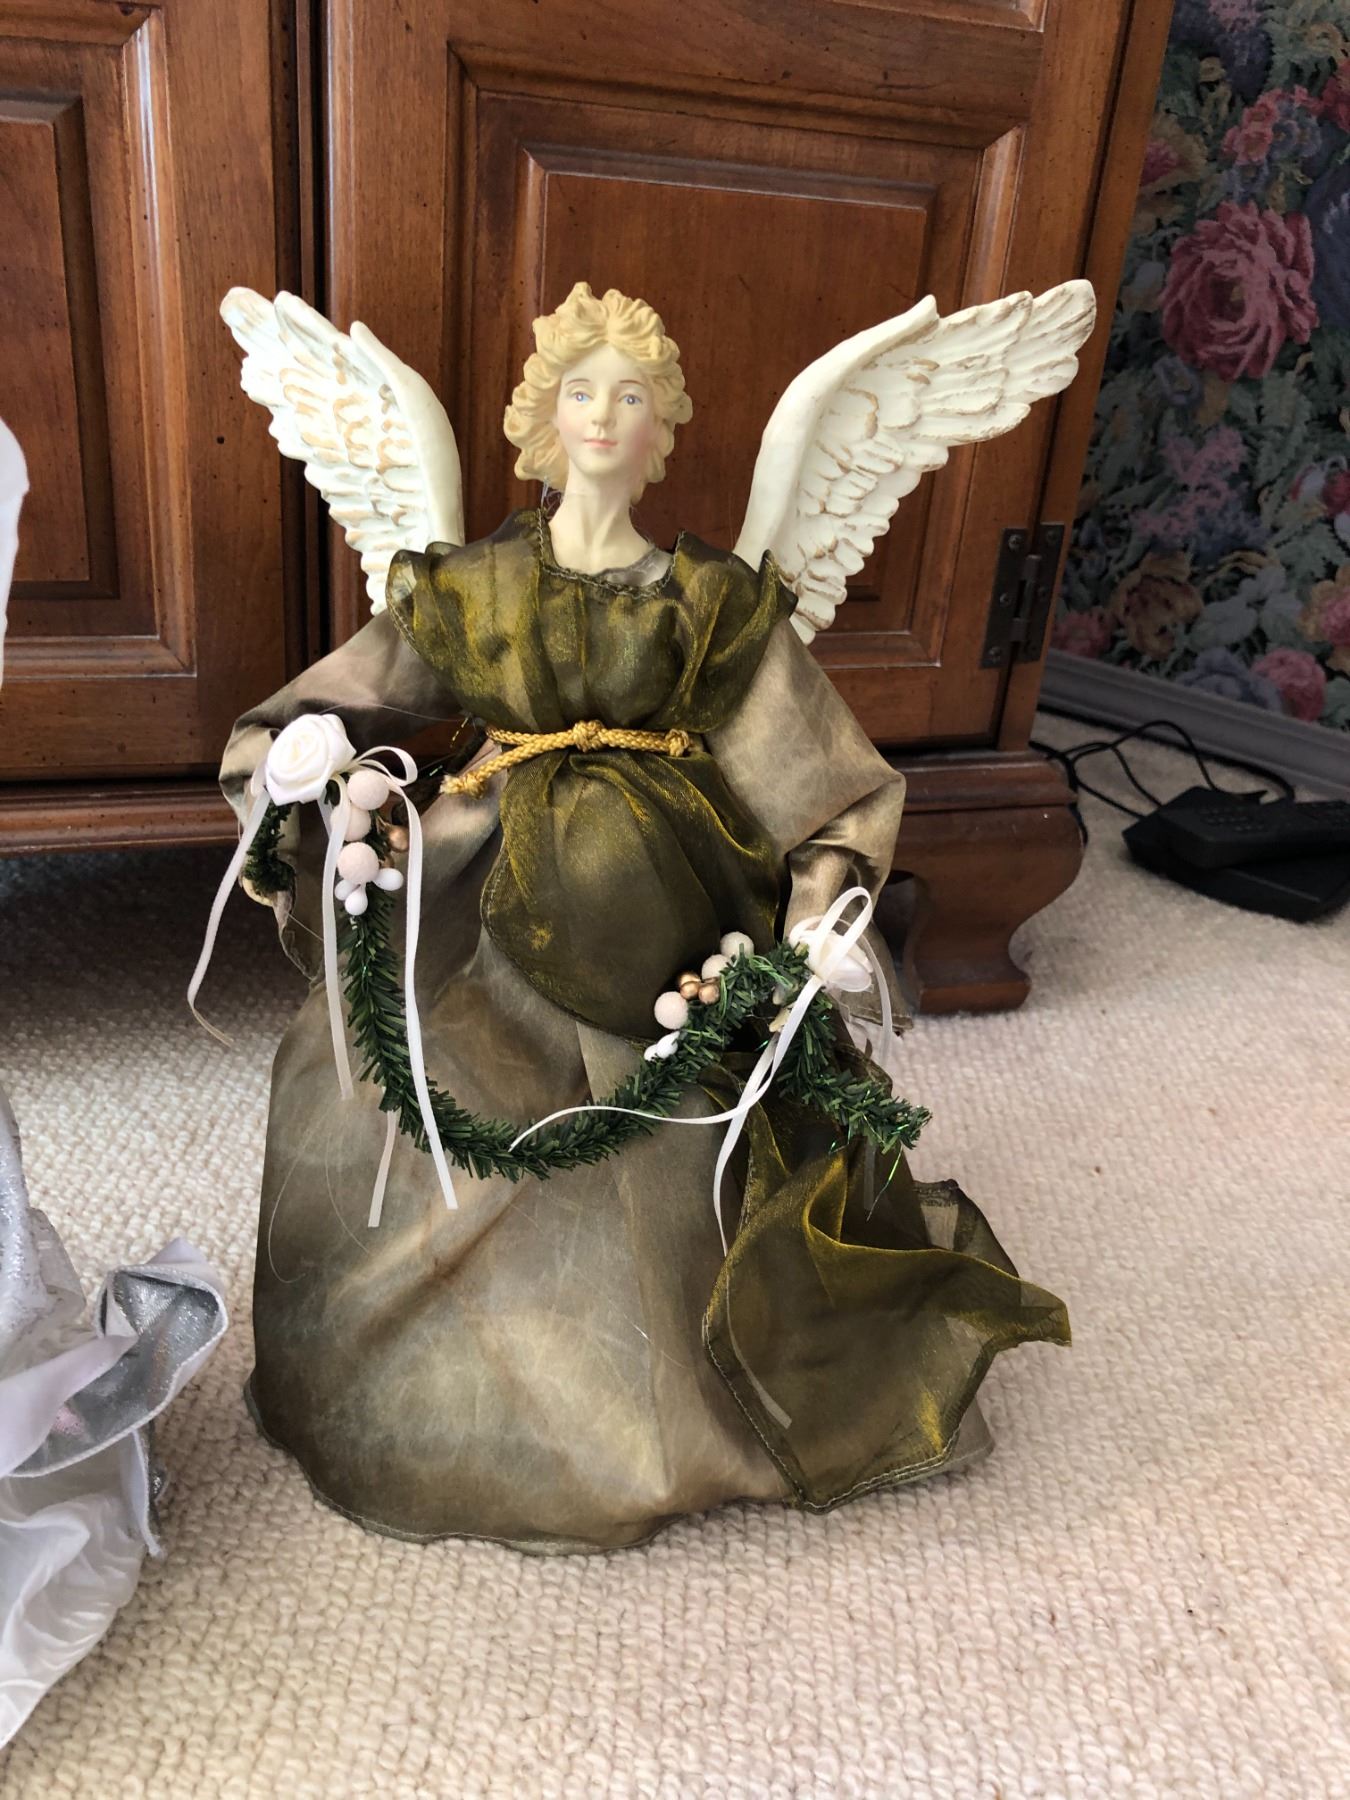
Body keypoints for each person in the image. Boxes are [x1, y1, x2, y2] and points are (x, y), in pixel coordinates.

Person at [219, 285, 1068, 1554]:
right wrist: (315, 784)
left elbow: (822, 773)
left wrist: (815, 915)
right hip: (482, 897)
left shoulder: (709, 604)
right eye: (581, 391)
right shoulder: (478, 584)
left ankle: (672, 1378)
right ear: (543, 416)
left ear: (663, 426)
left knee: (679, 1119)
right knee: (420, 1086)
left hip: (677, 921)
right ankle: (457, 1380)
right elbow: (320, 709)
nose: (605, 416)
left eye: (632, 395)